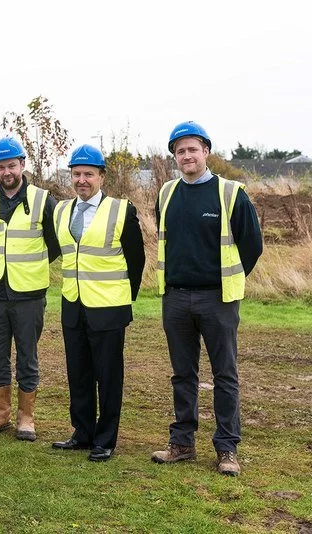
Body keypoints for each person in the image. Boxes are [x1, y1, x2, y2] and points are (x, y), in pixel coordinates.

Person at [151, 121, 262, 477]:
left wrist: (225, 281)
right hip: (177, 300)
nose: (186, 156)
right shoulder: (166, 193)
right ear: (175, 157)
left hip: (218, 300)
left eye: (192, 149)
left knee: (224, 375)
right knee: (183, 375)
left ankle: (227, 448)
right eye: (179, 151)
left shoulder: (230, 193)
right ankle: (182, 443)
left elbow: (252, 245)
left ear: (206, 151)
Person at [51, 145, 145, 461]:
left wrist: (122, 300)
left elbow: (136, 260)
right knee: (78, 374)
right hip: (73, 305)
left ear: (101, 176)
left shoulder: (121, 210)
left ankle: (105, 439)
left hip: (109, 309)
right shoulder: (61, 211)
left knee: (108, 377)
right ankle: (82, 433)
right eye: (76, 174)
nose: (82, 180)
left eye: (88, 174)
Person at [0, 137, 61, 441]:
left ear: (22, 165)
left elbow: (56, 244)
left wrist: (29, 267)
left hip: (29, 293)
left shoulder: (43, 199)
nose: (7, 171)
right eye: (1, 166)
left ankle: (26, 417)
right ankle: (0, 413)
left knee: (27, 354)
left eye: (12, 165)